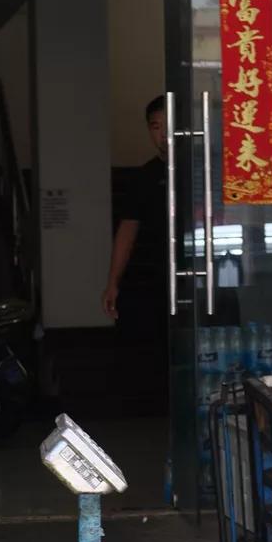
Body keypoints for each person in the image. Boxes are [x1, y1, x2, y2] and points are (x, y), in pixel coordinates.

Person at [101, 94, 169, 400]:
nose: (164, 135)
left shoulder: (204, 168)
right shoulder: (145, 177)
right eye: (156, 127)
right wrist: (112, 282)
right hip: (157, 277)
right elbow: (127, 229)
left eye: (170, 126)